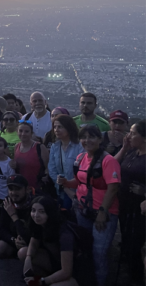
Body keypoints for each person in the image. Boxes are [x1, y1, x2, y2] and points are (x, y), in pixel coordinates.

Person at [57, 125, 121, 286]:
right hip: (83, 209)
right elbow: (79, 182)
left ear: (100, 139)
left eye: (91, 137)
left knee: (99, 252)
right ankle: (86, 279)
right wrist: (66, 182)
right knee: (85, 248)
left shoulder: (108, 160)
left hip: (104, 213)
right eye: (83, 137)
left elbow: (113, 187)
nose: (87, 140)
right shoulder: (81, 158)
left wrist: (102, 211)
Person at [113, 120, 146, 283]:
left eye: (133, 133)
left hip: (140, 211)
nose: (129, 135)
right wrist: (125, 148)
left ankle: (137, 278)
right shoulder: (134, 152)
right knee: (126, 241)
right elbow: (112, 165)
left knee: (135, 245)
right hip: (126, 205)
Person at [22, 196, 81, 286]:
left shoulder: (65, 234)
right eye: (33, 210)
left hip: (75, 273)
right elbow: (34, 242)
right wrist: (28, 258)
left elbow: (66, 271)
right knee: (23, 253)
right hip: (56, 263)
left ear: (50, 213)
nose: (36, 215)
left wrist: (42, 281)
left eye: (42, 212)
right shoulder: (39, 224)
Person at [0, 174, 33, 259]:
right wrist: (13, 240)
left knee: (23, 253)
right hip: (16, 238)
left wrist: (13, 215)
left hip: (32, 240)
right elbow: (1, 229)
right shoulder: (8, 202)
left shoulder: (34, 204)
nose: (13, 193)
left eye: (17, 189)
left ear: (27, 190)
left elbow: (27, 236)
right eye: (11, 189)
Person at [47, 115, 82, 209]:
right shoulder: (55, 147)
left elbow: (82, 169)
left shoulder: (79, 146)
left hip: (78, 191)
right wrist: (63, 186)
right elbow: (52, 169)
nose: (56, 130)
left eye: (60, 127)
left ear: (69, 127)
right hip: (61, 190)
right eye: (55, 127)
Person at [11, 120, 50, 192]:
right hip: (21, 188)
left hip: (37, 188)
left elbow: (48, 166)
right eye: (21, 131)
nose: (23, 134)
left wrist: (46, 177)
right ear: (17, 132)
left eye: (26, 131)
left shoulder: (40, 147)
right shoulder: (17, 146)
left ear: (31, 133)